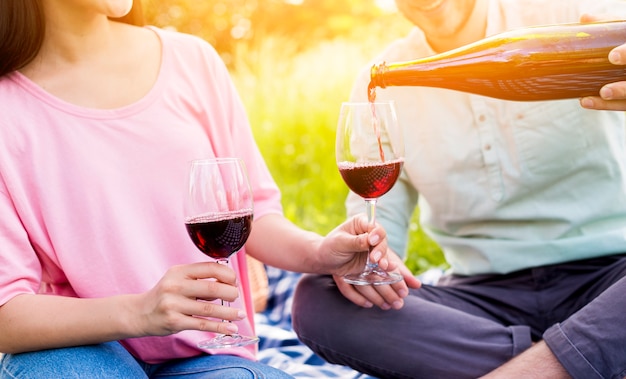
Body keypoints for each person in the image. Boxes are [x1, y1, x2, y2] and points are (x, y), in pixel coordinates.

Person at [0, 1, 405, 378]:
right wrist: (142, 312)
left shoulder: (191, 61)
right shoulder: (8, 108)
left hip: (207, 354)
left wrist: (317, 253)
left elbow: (253, 214)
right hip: (75, 349)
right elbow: (6, 312)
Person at [292, 1, 626, 378]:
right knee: (321, 297)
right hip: (482, 302)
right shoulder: (387, 77)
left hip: (610, 277)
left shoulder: (572, 22)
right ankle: (584, 359)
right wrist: (369, 256)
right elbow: (376, 217)